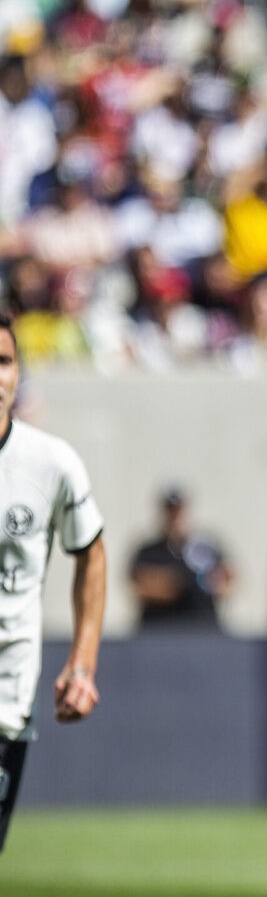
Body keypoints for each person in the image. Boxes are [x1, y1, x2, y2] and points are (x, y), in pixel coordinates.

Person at [0, 311, 107, 855]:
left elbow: (91, 551)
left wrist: (82, 662)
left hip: (5, 703)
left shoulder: (49, 463)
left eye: (4, 361)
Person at [128, 487, 233, 631]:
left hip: (203, 629)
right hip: (160, 630)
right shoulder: (149, 551)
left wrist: (209, 584)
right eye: (170, 512)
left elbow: (227, 581)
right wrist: (184, 583)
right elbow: (141, 585)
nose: (175, 517)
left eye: (178, 511)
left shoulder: (205, 547)